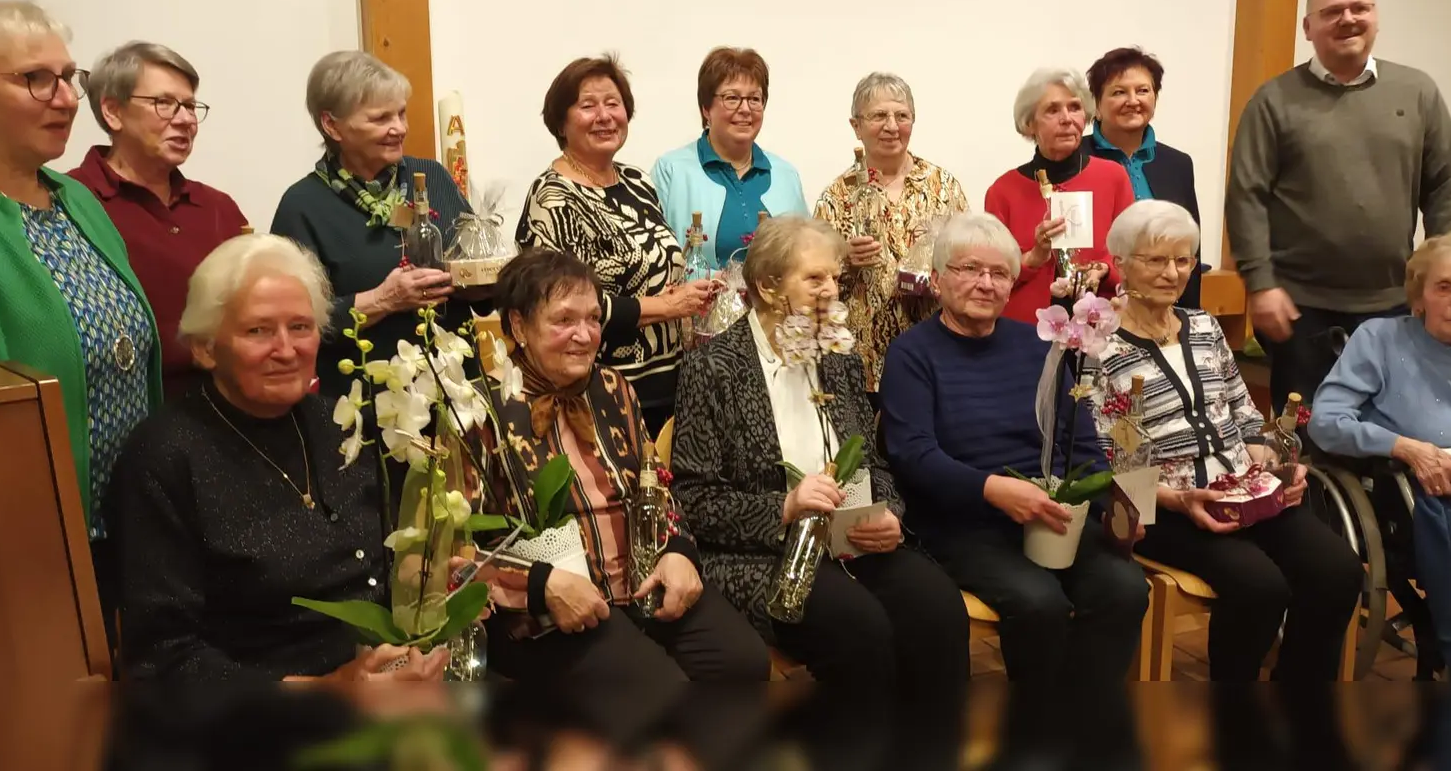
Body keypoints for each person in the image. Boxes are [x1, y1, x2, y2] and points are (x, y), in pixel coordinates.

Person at [0, 0, 161, 623]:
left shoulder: (75, 197)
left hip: (128, 526)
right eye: (36, 79)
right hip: (19, 544)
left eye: (67, 77)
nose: (66, 98)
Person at [113, 234, 446, 681]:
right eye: (258, 330)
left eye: (301, 327)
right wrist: (326, 692)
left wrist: (424, 577)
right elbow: (163, 660)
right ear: (205, 347)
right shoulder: (164, 457)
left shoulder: (343, 423)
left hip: (388, 689)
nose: (287, 350)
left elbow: (379, 564)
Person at [669, 216, 970, 688]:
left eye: (835, 277)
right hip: (763, 553)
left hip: (850, 541)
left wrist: (889, 511)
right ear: (768, 287)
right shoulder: (713, 368)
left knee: (938, 607)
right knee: (860, 627)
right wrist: (784, 507)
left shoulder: (839, 357)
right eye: (815, 278)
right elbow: (694, 502)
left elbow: (873, 463)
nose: (832, 290)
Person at [1089, 200, 1362, 681]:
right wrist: (1177, 499)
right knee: (1260, 587)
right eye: (1155, 259)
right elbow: (1111, 455)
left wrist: (1276, 464)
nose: (1172, 272)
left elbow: (1245, 415)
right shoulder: (1100, 346)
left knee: (1338, 571)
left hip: (1244, 491)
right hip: (1168, 507)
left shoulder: (1204, 326)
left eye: (1183, 259)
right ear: (1120, 264)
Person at [468, 248, 768, 684]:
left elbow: (659, 486)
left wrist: (680, 552)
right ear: (518, 325)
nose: (585, 335)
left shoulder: (614, 387)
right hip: (555, 614)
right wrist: (539, 586)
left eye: (593, 319)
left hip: (642, 584)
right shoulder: (478, 409)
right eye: (564, 320)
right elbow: (451, 555)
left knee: (743, 662)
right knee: (660, 690)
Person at [881, 211, 1148, 685]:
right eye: (969, 270)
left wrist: (1116, 507)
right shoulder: (911, 354)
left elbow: (1080, 440)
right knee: (1038, 602)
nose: (986, 283)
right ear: (939, 280)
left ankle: (1087, 717)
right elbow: (912, 455)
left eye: (1000, 273)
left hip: (1050, 512)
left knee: (1124, 589)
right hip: (963, 522)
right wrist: (995, 490)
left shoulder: (1037, 344)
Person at [1226, 0, 1451, 405]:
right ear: (1308, 28)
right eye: (1332, 12)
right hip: (1300, 308)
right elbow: (1247, 197)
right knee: (1306, 437)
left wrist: (1441, 280)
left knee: (1396, 429)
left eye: (1360, 9)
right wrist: (1261, 286)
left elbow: (1444, 186)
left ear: (1376, 19)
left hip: (1396, 303)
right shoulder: (1274, 100)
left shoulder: (1417, 92)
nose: (1348, 19)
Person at [1311, 232, 1451, 681]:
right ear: (1420, 295)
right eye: (1443, 287)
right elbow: (1325, 422)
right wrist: (1405, 446)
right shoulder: (1380, 340)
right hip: (1417, 493)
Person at [516, 55, 720, 435]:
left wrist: (687, 294)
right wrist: (662, 306)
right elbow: (556, 306)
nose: (605, 116)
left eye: (614, 104)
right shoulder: (553, 196)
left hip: (671, 384)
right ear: (561, 121)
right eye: (588, 106)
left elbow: (658, 268)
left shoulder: (637, 182)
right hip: (598, 389)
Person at [270, 50, 481, 401]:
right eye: (381, 118)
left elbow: (477, 269)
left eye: (401, 113)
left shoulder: (431, 177)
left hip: (456, 392)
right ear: (332, 125)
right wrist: (384, 299)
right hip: (367, 405)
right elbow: (296, 323)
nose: (399, 128)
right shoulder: (303, 205)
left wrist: (480, 280)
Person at [68, 41, 248, 398]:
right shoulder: (71, 203)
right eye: (164, 103)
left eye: (190, 105)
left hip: (226, 413)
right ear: (113, 112)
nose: (185, 120)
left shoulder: (218, 207)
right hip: (123, 418)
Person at [813, 72, 967, 404]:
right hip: (861, 363)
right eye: (879, 115)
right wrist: (845, 262)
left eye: (902, 115)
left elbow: (971, 258)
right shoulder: (836, 197)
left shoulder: (944, 186)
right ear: (856, 126)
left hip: (938, 353)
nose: (892, 126)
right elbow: (812, 282)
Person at [985, 68, 1134, 324]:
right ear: (1029, 124)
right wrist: (1034, 257)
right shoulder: (1003, 191)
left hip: (1100, 326)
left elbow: (1134, 254)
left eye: (1075, 107)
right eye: (1052, 110)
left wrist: (1104, 269)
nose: (1067, 119)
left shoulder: (1113, 178)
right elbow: (991, 276)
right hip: (1026, 332)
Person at [650, 46, 809, 268]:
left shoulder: (786, 175)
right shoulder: (671, 171)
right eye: (732, 98)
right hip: (699, 301)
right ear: (706, 108)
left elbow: (808, 256)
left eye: (754, 99)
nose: (745, 109)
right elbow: (657, 261)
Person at [1084, 47, 1202, 308]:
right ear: (1096, 105)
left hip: (1165, 307)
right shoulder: (1077, 161)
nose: (1133, 100)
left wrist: (1189, 317)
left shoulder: (1178, 164)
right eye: (1118, 92)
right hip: (1096, 310)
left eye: (1143, 90)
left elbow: (1190, 246)